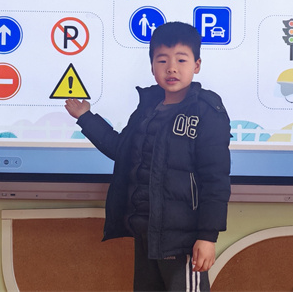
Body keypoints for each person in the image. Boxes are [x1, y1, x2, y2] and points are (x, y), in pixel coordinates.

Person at [65, 21, 231, 292]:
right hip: (147, 232)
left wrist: (207, 236)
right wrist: (85, 117)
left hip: (183, 240)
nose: (171, 68)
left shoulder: (207, 111)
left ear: (197, 65)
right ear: (152, 66)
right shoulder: (147, 109)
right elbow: (121, 150)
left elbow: (215, 179)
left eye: (181, 59)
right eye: (162, 60)